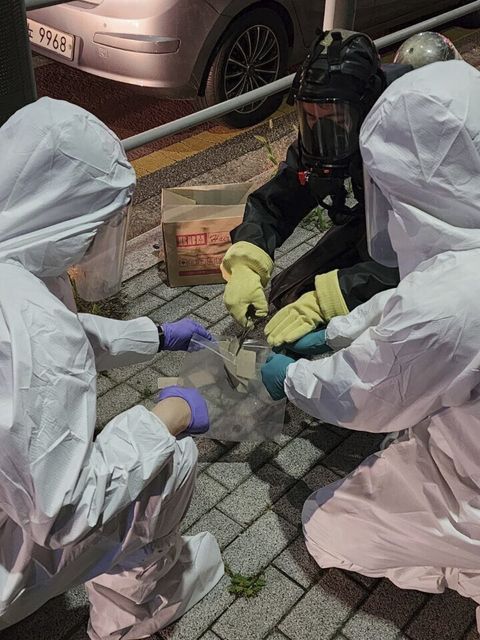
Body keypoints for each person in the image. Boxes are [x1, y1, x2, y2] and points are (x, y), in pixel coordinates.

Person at [262, 59, 480, 629]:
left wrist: (291, 377)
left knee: (325, 528)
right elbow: (424, 304)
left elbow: (365, 393)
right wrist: (336, 331)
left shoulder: (449, 305)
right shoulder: (462, 262)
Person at [0, 97, 223, 640]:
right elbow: (64, 511)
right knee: (171, 463)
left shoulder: (16, 258)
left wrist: (155, 335)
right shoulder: (33, 327)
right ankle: (131, 619)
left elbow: (56, 333)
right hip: (17, 548)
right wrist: (163, 419)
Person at [220, 29, 461, 351]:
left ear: (367, 109)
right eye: (310, 117)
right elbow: (280, 199)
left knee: (384, 328)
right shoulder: (333, 130)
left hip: (446, 239)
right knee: (288, 292)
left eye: (334, 118)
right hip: (381, 219)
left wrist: (331, 300)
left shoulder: (415, 141)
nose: (322, 131)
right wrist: (247, 261)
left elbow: (431, 252)